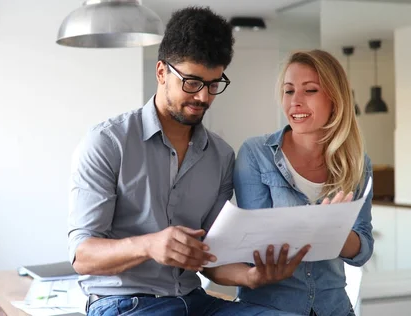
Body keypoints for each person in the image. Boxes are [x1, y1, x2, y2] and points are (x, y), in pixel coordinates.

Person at [67, 6, 304, 316]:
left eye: (213, 84)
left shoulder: (220, 156)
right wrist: (148, 245)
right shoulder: (108, 143)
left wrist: (250, 276)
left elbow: (211, 257)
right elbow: (81, 255)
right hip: (126, 303)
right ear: (162, 72)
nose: (204, 97)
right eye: (192, 82)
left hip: (195, 301)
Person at [208, 49, 373, 316]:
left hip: (334, 309)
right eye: (288, 91)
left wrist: (335, 231)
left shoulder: (357, 163)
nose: (295, 102)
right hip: (269, 308)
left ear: (335, 98)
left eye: (309, 91)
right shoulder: (256, 154)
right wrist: (311, 226)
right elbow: (257, 243)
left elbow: (363, 249)